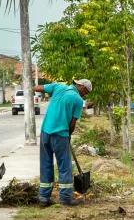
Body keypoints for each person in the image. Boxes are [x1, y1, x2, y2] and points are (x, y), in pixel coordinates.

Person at [33, 79, 92, 207]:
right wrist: (69, 135)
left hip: (45, 132)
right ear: (82, 88)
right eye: (86, 92)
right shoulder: (77, 100)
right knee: (64, 166)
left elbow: (36, 88)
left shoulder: (58, 87)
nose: (85, 95)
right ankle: (65, 198)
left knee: (46, 164)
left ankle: (43, 198)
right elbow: (72, 123)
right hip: (60, 134)